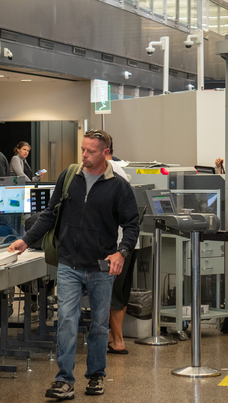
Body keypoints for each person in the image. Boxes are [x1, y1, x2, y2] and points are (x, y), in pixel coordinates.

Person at [8, 129, 139, 399]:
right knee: (67, 320)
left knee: (100, 324)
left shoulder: (119, 186)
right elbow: (49, 215)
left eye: (91, 151)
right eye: (82, 149)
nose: (84, 155)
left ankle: (96, 375)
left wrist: (121, 252)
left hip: (101, 265)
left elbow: (131, 225)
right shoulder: (70, 177)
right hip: (69, 263)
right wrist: (26, 240)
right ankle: (64, 380)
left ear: (106, 153)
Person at [103, 133, 141, 355]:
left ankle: (117, 341)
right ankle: (114, 336)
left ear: (105, 151)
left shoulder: (110, 171)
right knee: (122, 292)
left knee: (113, 293)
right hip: (129, 242)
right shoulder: (119, 169)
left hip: (117, 244)